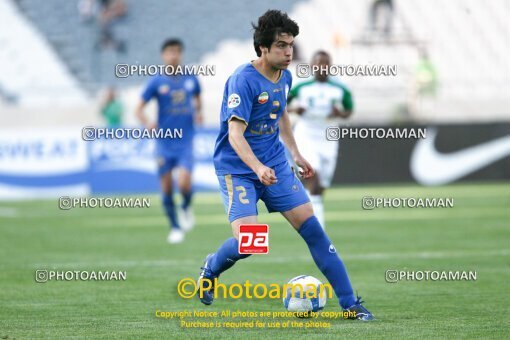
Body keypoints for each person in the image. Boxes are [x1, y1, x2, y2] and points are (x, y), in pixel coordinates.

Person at [196, 10, 373, 321]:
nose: (289, 51)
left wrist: (295, 153)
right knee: (252, 243)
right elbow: (235, 135)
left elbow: (281, 115)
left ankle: (350, 304)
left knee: (314, 230)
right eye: (281, 45)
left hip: (275, 162)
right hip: (238, 168)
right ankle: (211, 268)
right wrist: (257, 168)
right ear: (263, 48)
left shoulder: (286, 76)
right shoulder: (242, 81)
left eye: (291, 44)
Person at [135, 38, 202, 244]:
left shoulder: (191, 79)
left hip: (185, 141)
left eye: (177, 51)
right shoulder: (156, 81)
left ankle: (185, 206)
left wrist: (198, 112)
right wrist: (148, 122)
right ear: (163, 55)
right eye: (170, 52)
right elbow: (138, 109)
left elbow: (198, 98)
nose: (173, 55)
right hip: (164, 142)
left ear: (181, 54)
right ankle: (174, 227)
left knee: (184, 182)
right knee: (166, 187)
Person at [287, 51, 353, 229]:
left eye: (324, 64)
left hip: (328, 137)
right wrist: (295, 110)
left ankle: (308, 211)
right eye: (317, 64)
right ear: (311, 65)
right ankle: (317, 228)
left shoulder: (340, 87)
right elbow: (283, 105)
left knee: (322, 185)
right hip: (306, 133)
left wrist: (341, 113)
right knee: (313, 176)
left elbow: (349, 110)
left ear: (330, 66)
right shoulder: (301, 85)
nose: (320, 67)